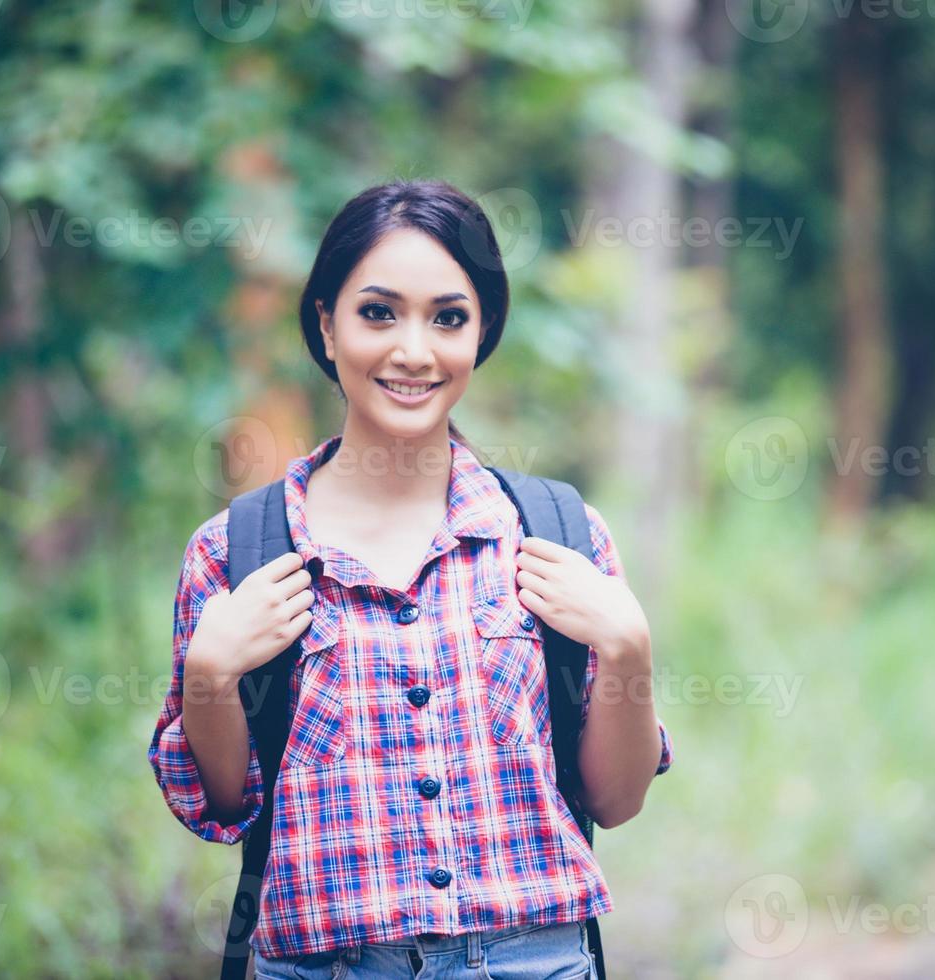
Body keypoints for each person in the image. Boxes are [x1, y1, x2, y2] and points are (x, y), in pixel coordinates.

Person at [148, 178, 674, 978]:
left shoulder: (556, 536)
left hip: (534, 961)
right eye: (378, 312)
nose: (413, 350)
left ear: (482, 332)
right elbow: (222, 807)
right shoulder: (237, 552)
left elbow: (617, 801)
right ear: (326, 325)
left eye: (448, 317)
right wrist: (210, 675)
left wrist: (630, 650)